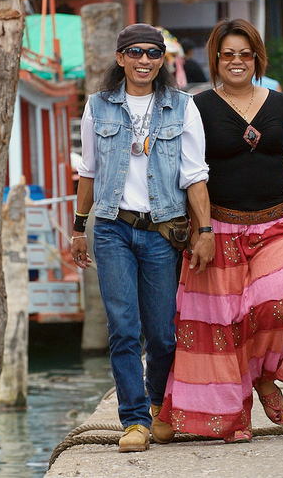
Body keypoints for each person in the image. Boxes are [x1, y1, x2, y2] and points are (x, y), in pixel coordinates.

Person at [159, 18, 283, 443]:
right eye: (228, 53)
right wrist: (200, 230)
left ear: (256, 58)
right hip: (219, 230)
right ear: (216, 58)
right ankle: (233, 416)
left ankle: (265, 378)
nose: (236, 61)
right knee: (222, 327)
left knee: (280, 300)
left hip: (274, 225)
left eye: (244, 54)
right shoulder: (197, 107)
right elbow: (188, 173)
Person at [71, 23, 214, 453]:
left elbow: (194, 175)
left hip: (162, 231)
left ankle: (158, 406)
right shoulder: (97, 107)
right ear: (120, 58)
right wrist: (80, 227)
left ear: (163, 60)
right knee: (123, 328)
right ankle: (133, 420)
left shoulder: (183, 107)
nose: (144, 61)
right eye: (134, 52)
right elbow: (89, 171)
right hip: (113, 227)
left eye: (152, 53)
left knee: (162, 333)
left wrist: (204, 230)